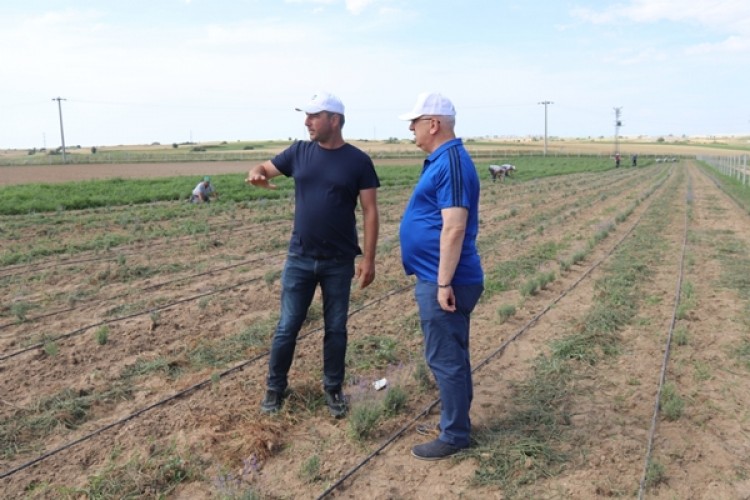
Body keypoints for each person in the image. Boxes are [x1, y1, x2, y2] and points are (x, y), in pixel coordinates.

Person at [245, 91, 380, 418]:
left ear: (334, 120)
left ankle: (333, 390)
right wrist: (256, 173)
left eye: (314, 116)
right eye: (306, 116)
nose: (307, 122)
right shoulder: (299, 152)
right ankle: (275, 388)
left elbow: (370, 211)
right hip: (300, 259)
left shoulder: (358, 161)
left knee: (336, 328)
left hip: (338, 262)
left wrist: (370, 260)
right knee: (287, 326)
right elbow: (263, 166)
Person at [398, 92, 484, 460]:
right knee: (453, 354)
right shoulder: (444, 160)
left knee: (445, 358)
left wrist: (444, 283)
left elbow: (454, 227)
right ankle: (456, 421)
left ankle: (454, 435)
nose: (410, 129)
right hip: (440, 277)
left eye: (414, 123)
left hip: (444, 279)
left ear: (433, 124)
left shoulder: (450, 161)